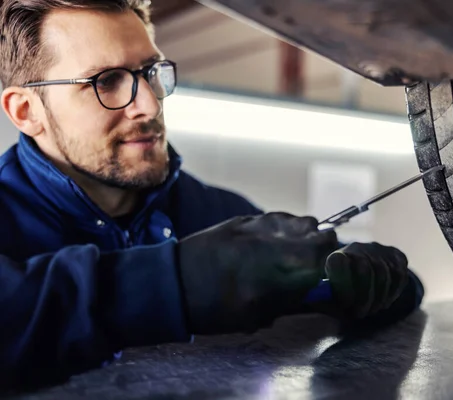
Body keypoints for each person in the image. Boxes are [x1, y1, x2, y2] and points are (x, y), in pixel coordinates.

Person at [0, 0, 424, 388]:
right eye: (106, 81)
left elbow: (370, 280)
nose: (148, 103)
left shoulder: (210, 211)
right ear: (27, 111)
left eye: (150, 72)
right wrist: (176, 282)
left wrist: (363, 283)